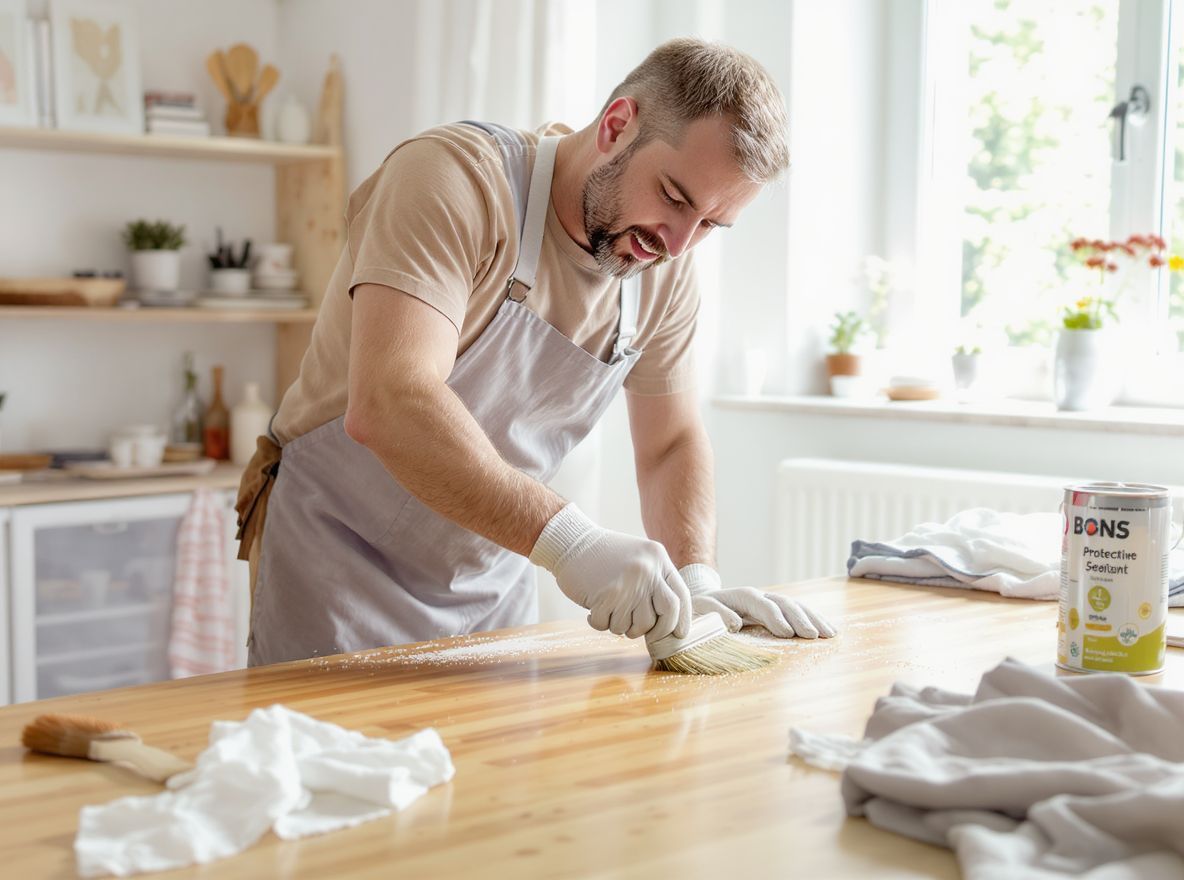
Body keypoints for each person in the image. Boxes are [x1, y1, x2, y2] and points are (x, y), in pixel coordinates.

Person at [237, 37, 835, 666]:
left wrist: (696, 581)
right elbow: (392, 399)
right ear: (616, 125)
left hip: (489, 577)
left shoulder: (664, 265)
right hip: (335, 561)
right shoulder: (453, 180)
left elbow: (670, 443)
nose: (679, 244)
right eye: (675, 198)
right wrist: (571, 543)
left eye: (712, 225)